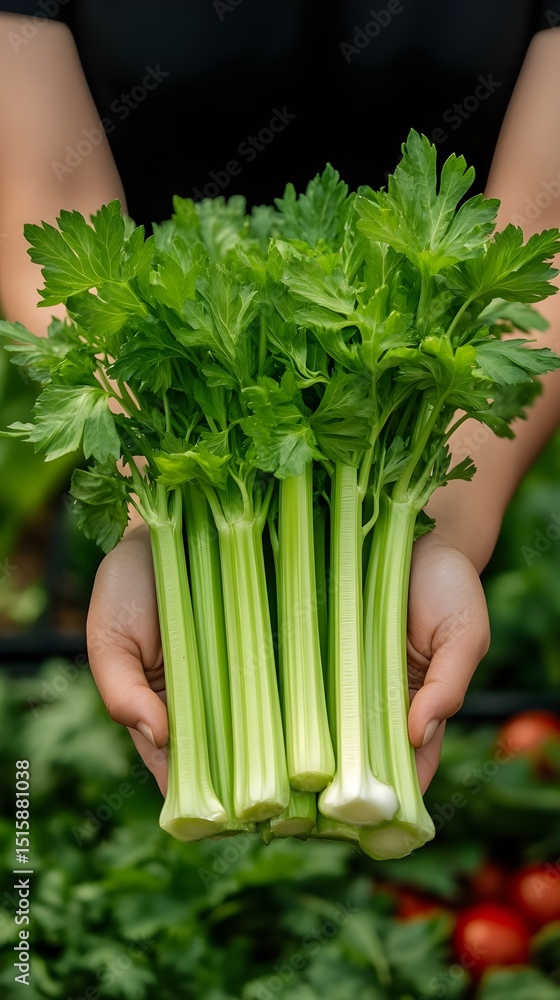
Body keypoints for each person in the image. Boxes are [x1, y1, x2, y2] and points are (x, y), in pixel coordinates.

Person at [1, 2, 559, 799]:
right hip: (167, 380)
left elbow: (545, 223)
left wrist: (439, 527)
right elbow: (49, 197)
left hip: (424, 405)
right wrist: (154, 514)